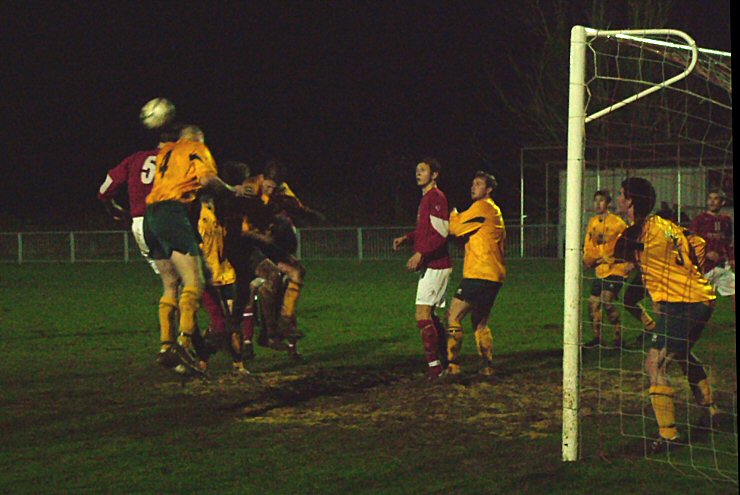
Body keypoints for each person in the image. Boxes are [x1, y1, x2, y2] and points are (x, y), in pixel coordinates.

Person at [615, 177, 718, 454]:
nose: (619, 199)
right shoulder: (667, 225)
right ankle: (710, 408)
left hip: (683, 303)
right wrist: (686, 273)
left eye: (621, 195)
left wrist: (592, 258)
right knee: (681, 353)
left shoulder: (635, 233)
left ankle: (668, 435)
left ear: (630, 201)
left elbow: (623, 267)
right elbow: (696, 243)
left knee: (655, 364)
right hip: (698, 297)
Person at [143, 125, 246, 375]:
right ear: (199, 138)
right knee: (195, 281)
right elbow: (207, 179)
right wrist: (233, 190)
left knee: (170, 284)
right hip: (172, 212)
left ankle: (166, 345)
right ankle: (183, 344)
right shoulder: (196, 147)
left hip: (150, 216)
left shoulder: (167, 151)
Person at [392, 158, 452, 380]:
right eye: (417, 170)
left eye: (423, 170)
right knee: (431, 316)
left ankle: (435, 368)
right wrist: (407, 239)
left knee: (422, 314)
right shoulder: (426, 198)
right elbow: (426, 232)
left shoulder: (436, 198)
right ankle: (444, 362)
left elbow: (441, 233)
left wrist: (421, 253)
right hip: (433, 265)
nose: (418, 173)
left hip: (437, 265)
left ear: (434, 175)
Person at [445, 170, 505, 377]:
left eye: (478, 184)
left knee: (453, 316)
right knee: (480, 322)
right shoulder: (493, 210)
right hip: (493, 275)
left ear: (488, 190)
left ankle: (453, 365)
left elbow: (455, 228)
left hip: (479, 273)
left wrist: (452, 214)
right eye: (473, 183)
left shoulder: (483, 207)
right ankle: (487, 366)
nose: (473, 187)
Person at [97, 136, 170, 274]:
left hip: (141, 223)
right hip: (169, 219)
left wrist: (111, 206)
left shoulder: (136, 158)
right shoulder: (178, 157)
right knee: (193, 275)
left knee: (169, 280)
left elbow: (106, 188)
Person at [582, 190, 631, 348]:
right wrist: (589, 260)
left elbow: (625, 243)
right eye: (595, 200)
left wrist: (612, 258)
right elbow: (589, 245)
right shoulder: (593, 222)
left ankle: (618, 337)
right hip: (600, 270)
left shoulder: (617, 223)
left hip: (616, 269)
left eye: (601, 200)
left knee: (606, 301)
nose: (597, 204)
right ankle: (597, 338)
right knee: (593, 304)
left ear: (608, 203)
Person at [689, 191, 735, 312]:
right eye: (710, 198)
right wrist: (706, 253)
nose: (712, 201)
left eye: (716, 199)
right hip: (704, 266)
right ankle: (696, 325)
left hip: (721, 265)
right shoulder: (699, 220)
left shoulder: (726, 220)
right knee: (705, 301)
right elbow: (691, 240)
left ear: (722, 202)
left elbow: (728, 241)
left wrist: (731, 258)